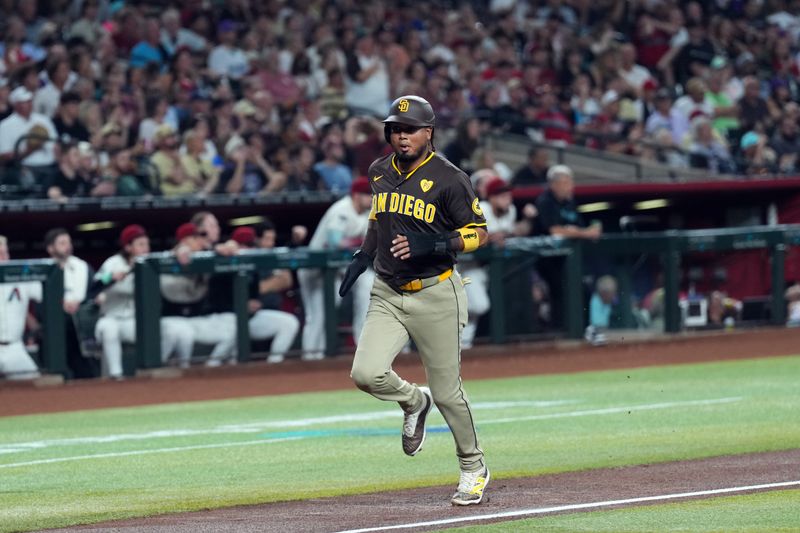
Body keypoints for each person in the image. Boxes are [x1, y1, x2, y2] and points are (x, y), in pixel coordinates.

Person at [340, 95, 490, 505]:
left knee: (448, 393)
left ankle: (473, 466)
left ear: (429, 132)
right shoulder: (378, 171)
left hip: (436, 293)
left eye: (410, 129)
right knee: (366, 373)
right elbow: (378, 217)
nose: (401, 137)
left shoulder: (450, 178)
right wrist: (364, 255)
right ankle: (412, 401)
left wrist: (438, 242)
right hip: (387, 291)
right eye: (395, 129)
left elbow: (479, 231)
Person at [93, 225, 195, 379]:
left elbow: (171, 255)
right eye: (140, 244)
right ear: (128, 247)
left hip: (135, 323)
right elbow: (95, 285)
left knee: (176, 329)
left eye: (146, 244)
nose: (145, 248)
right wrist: (111, 278)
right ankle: (116, 375)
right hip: (112, 318)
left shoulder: (150, 263)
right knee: (109, 329)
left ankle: (154, 367)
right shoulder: (114, 262)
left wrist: (179, 250)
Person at [297, 177, 374, 360]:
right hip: (315, 269)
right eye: (367, 194)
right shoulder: (341, 210)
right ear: (356, 195)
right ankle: (311, 356)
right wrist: (359, 242)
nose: (372, 198)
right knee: (319, 311)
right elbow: (335, 243)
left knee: (369, 285)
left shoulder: (366, 213)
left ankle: (362, 346)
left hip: (340, 268)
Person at [460, 177, 537, 349]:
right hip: (464, 265)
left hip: (482, 267)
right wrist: (495, 236)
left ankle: (464, 345)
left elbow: (519, 231)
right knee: (479, 305)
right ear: (492, 197)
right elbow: (476, 237)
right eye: (502, 195)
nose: (507, 198)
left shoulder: (510, 211)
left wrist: (527, 219)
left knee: (473, 308)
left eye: (508, 194)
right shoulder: (480, 209)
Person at [160, 219, 237, 367]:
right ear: (185, 240)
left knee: (232, 331)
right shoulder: (170, 258)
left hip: (195, 319)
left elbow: (224, 249)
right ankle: (164, 369)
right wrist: (179, 250)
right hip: (170, 318)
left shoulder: (204, 256)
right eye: (196, 238)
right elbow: (176, 253)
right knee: (183, 333)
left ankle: (211, 367)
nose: (202, 241)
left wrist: (228, 246)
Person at [533, 165, 602, 330]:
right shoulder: (545, 201)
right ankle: (560, 332)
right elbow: (555, 230)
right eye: (566, 182)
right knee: (560, 295)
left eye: (570, 182)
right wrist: (584, 233)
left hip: (567, 259)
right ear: (554, 184)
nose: (570, 186)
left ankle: (584, 329)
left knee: (583, 291)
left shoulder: (570, 202)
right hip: (545, 261)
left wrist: (582, 231)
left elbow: (578, 227)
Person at [231, 223, 300, 364]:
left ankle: (274, 365)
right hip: (237, 316)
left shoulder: (269, 257)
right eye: (268, 239)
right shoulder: (236, 259)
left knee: (289, 323)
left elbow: (286, 280)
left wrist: (266, 285)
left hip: (262, 314)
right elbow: (258, 288)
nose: (271, 243)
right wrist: (273, 282)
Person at [44, 227, 98, 379]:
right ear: (50, 248)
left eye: (68, 242)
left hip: (83, 321)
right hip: (58, 324)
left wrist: (81, 303)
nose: (68, 246)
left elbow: (94, 290)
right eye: (62, 243)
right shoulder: (45, 268)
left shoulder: (83, 266)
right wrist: (61, 304)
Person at [0, 234, 42, 380]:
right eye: (0, 253)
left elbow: (48, 293)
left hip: (13, 347)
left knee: (35, 387)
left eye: (5, 253)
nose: (3, 257)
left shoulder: (20, 276)